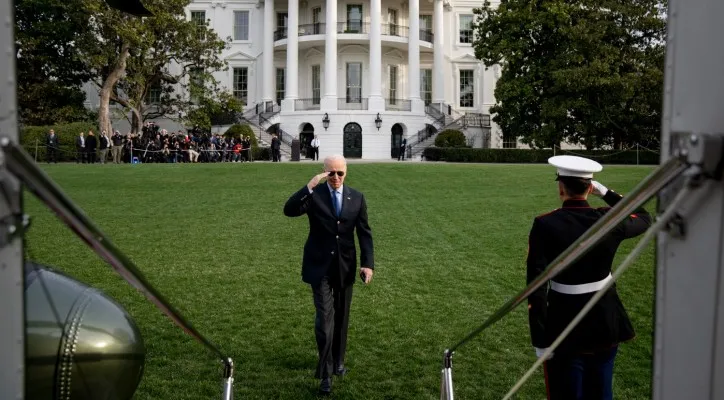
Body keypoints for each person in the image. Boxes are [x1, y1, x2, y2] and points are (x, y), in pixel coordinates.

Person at [526, 155, 651, 400]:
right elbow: (644, 217)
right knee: (602, 391)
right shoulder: (608, 220)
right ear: (589, 187)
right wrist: (606, 193)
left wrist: (540, 338)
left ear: (561, 187)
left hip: (564, 321)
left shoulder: (545, 224)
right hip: (605, 317)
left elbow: (536, 284)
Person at [283, 154, 374, 395]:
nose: (335, 177)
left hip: (345, 266)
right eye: (330, 173)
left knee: (342, 317)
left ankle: (339, 361)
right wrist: (310, 186)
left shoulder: (357, 197)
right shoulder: (315, 195)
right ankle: (325, 373)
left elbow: (364, 233)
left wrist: (368, 264)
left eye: (339, 173)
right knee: (325, 320)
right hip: (319, 265)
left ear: (346, 172)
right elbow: (289, 210)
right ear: (324, 172)